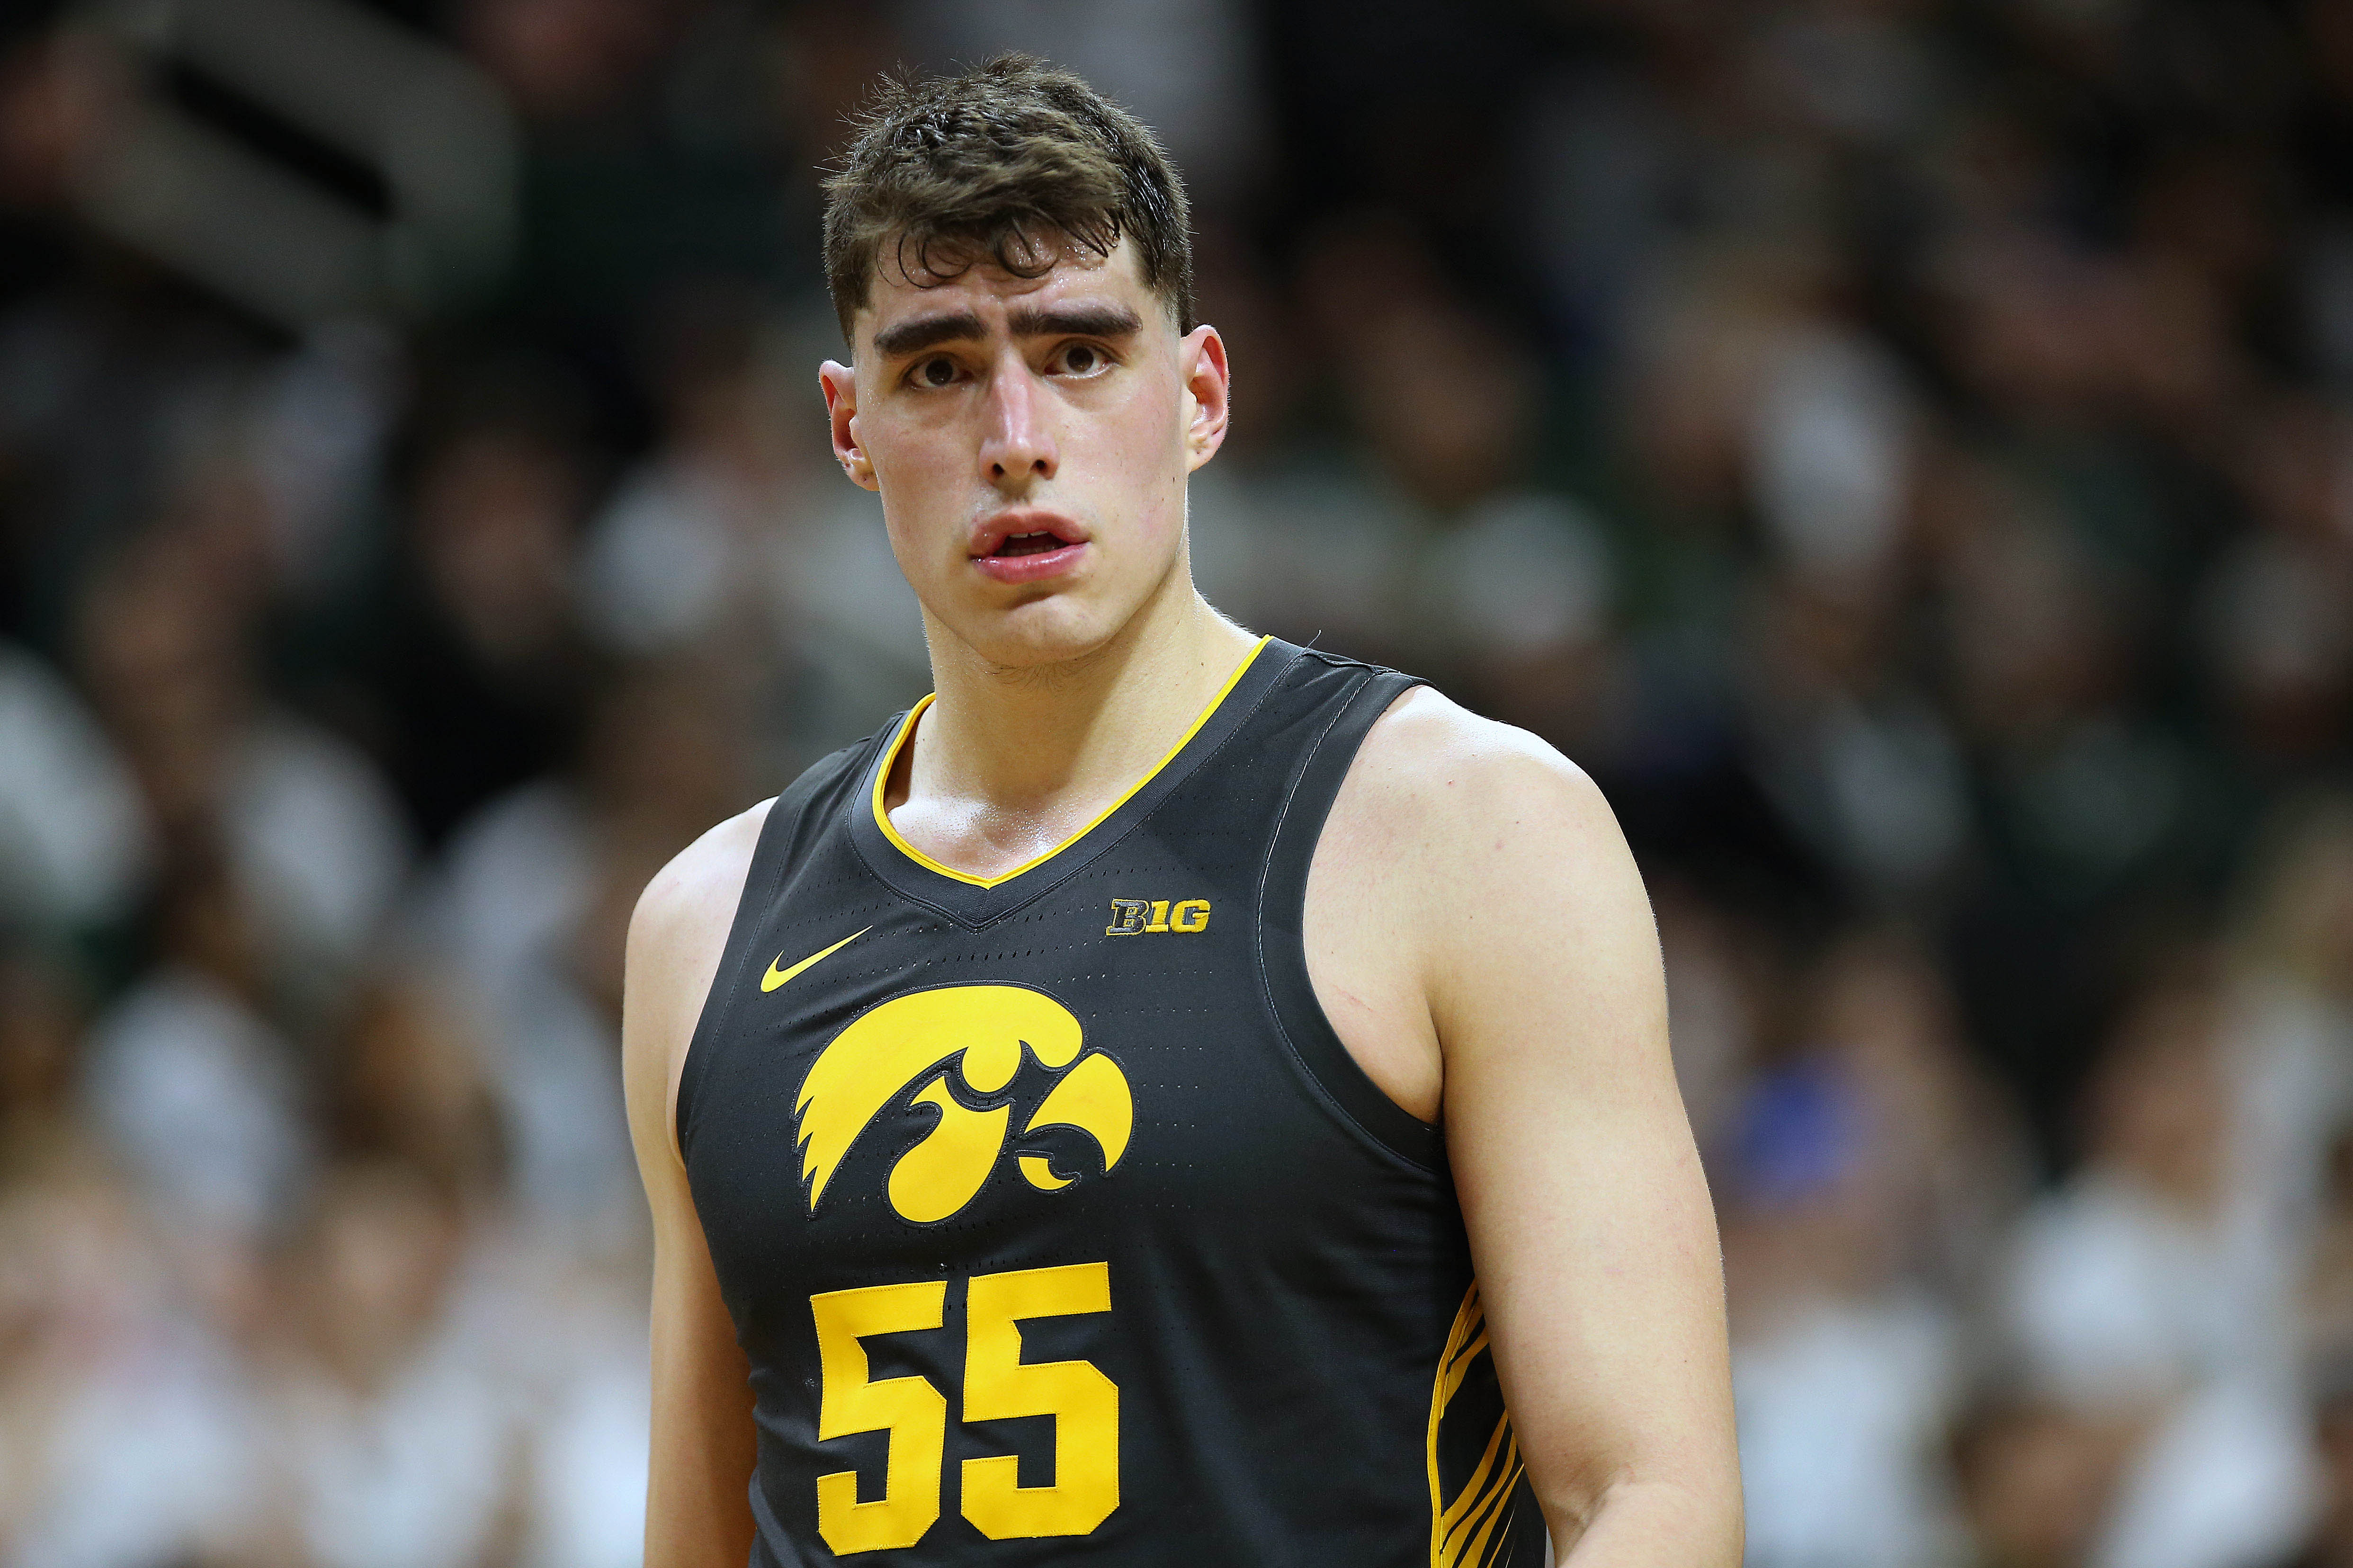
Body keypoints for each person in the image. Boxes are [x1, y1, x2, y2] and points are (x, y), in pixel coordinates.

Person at [621, 54, 1739, 1568]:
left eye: (1078, 354)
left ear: (1200, 393)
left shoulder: (1466, 828)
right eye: (938, 368)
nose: (1012, 432)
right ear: (848, 425)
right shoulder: (702, 926)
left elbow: (1644, 1501)